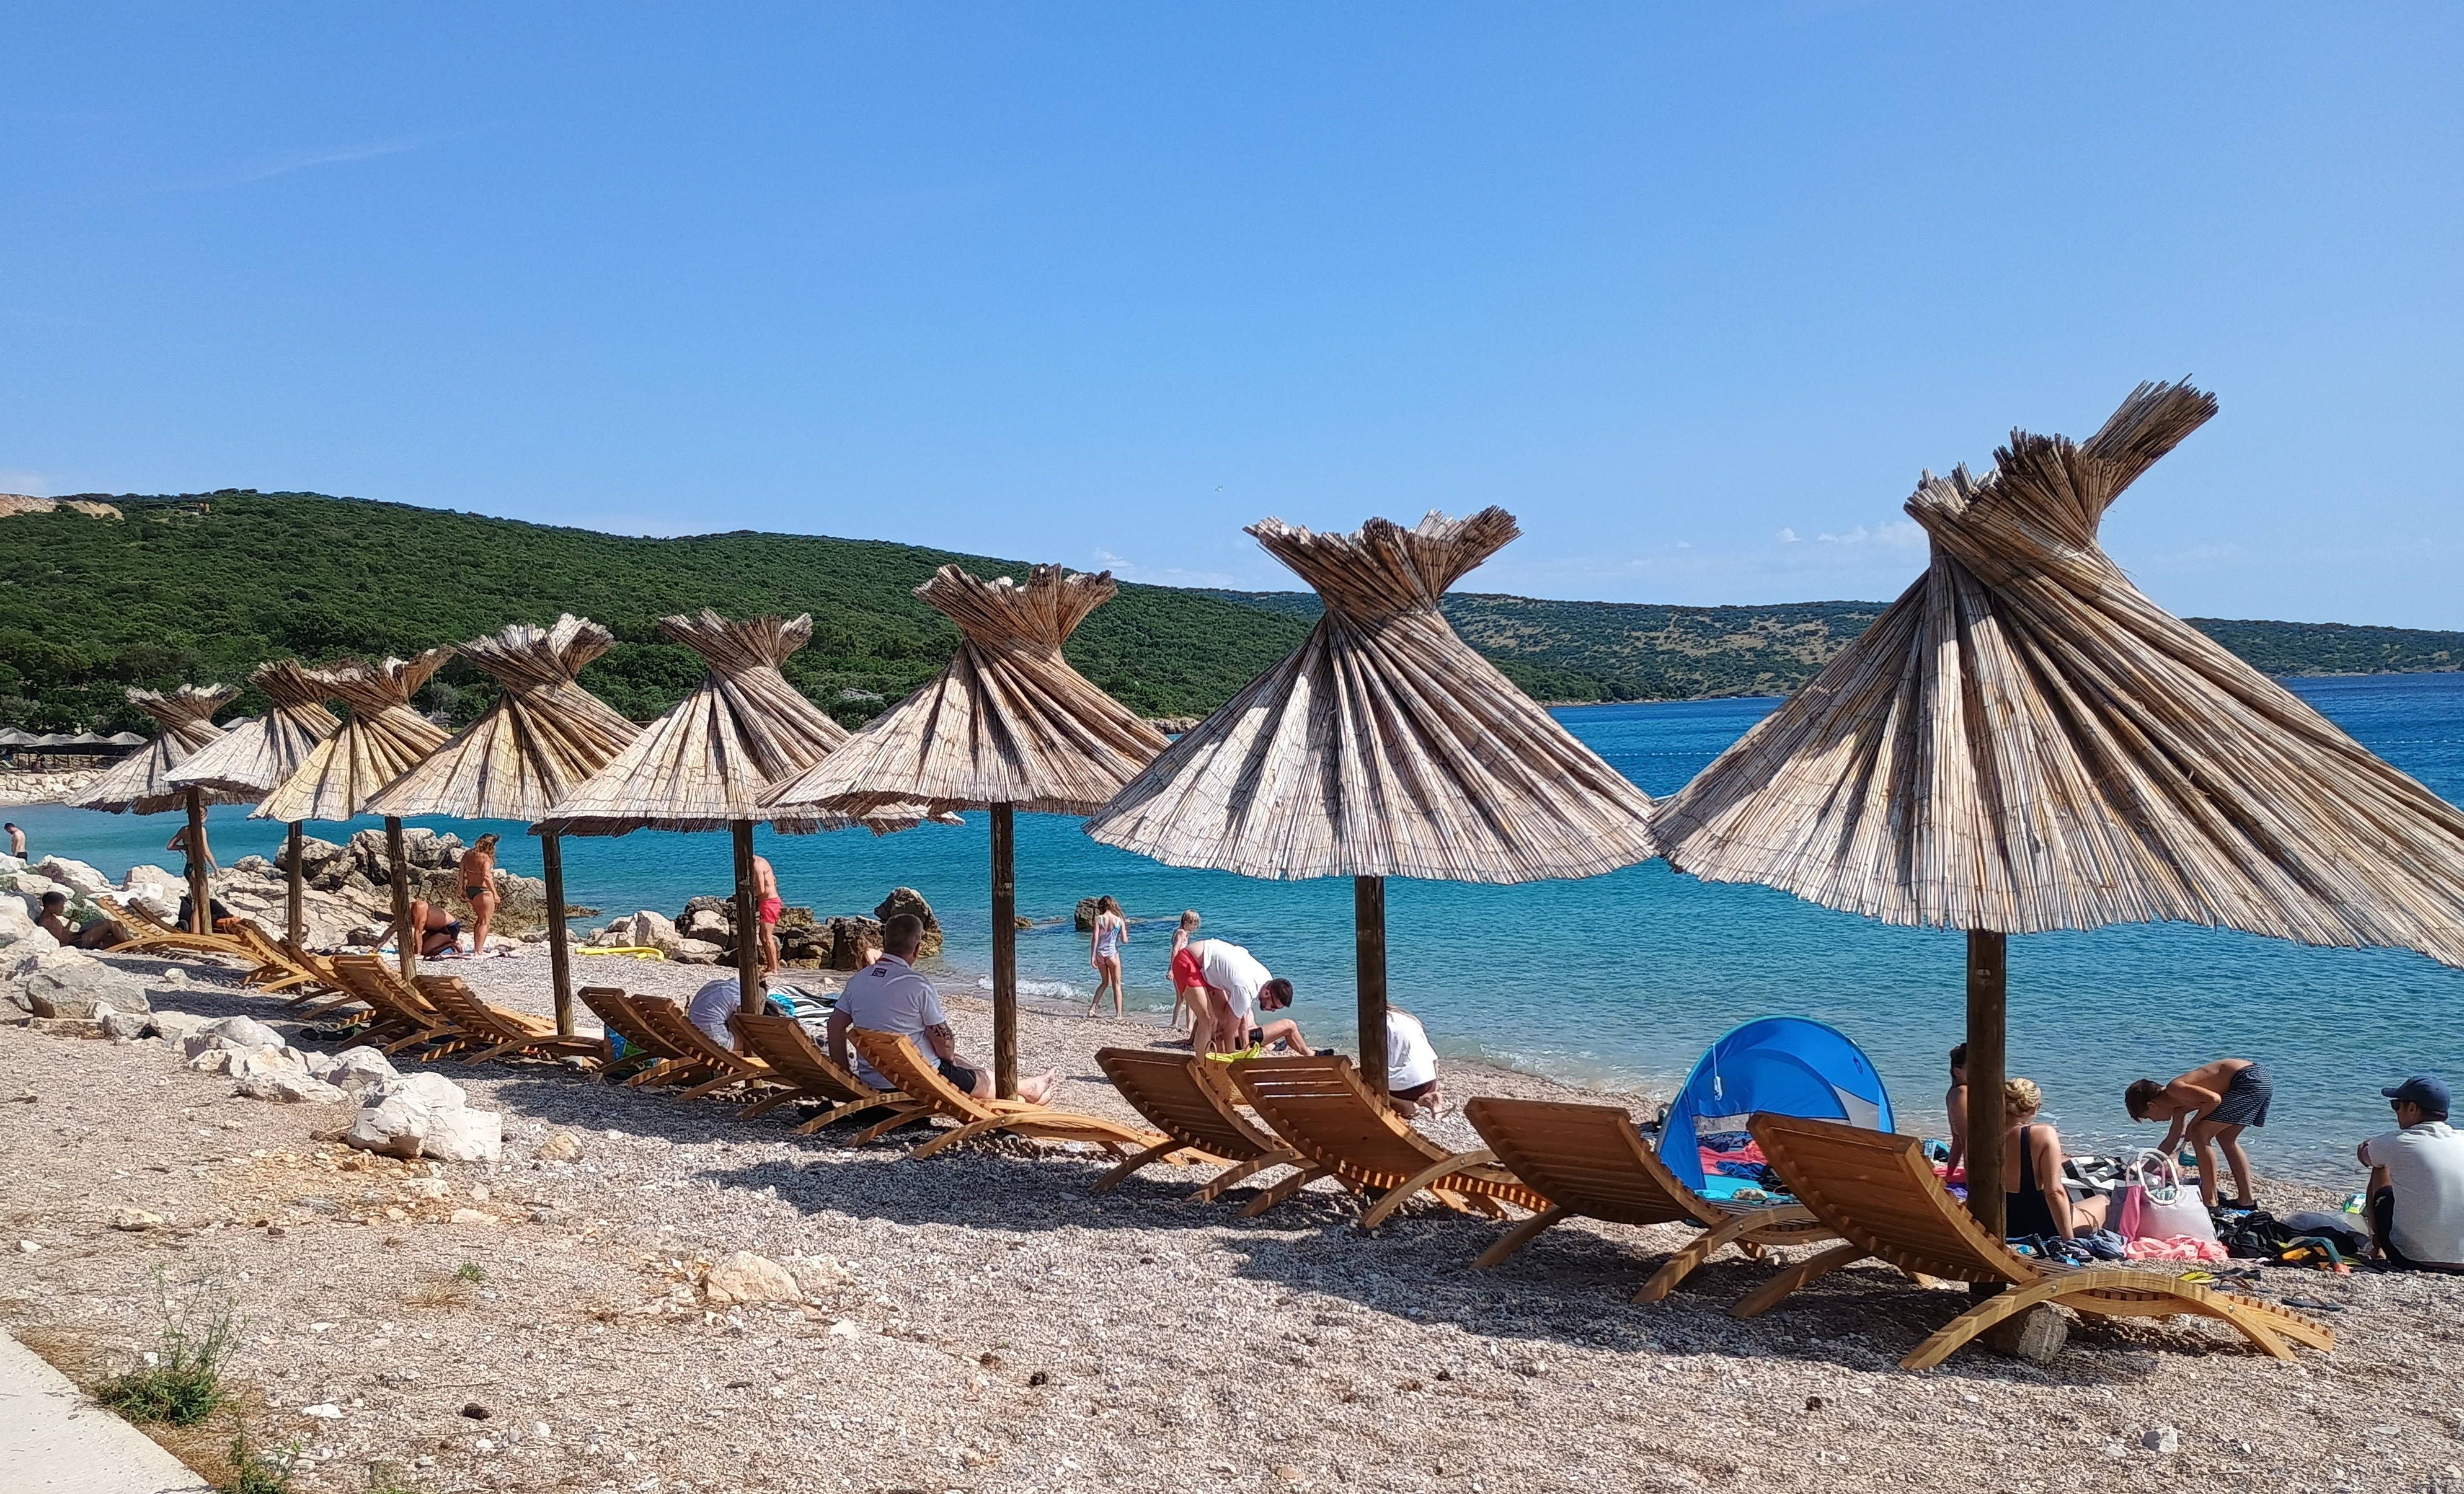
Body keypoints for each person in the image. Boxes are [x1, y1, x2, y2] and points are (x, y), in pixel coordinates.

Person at [830, 914, 1056, 1102]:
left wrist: (847, 1077)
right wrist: (947, 1057)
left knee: (962, 1065)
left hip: (875, 1079)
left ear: (885, 943)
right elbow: (944, 1042)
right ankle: (1025, 1092)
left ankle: (1026, 1087)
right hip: (917, 1082)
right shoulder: (917, 985)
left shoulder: (858, 981)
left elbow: (834, 1027)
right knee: (960, 1069)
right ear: (917, 949)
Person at [2126, 1058, 2272, 1208]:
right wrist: (2142, 1173)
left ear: (2152, 1105)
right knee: (2226, 1138)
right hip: (2258, 1079)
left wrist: (2193, 1124)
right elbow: (2170, 1143)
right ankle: (2246, 1200)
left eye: (2149, 1117)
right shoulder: (2178, 1108)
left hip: (2249, 1079)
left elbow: (2214, 1100)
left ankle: (2210, 1202)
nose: (2154, 1121)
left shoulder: (2174, 1089)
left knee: (2200, 1134)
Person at [2358, 1076, 2464, 1271]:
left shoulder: (2399, 1141)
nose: (2396, 1112)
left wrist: (2371, 1146)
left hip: (2411, 1259)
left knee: (2380, 1165)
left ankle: (2377, 1246)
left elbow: (2365, 1156)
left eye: (2397, 1106)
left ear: (2413, 1108)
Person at [2003, 1077, 2107, 1240]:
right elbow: (2054, 1193)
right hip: (2040, 1225)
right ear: (2033, 1108)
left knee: (2077, 1206)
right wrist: (2069, 1241)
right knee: (2103, 1201)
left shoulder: (1979, 1134)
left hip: (2001, 1221)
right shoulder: (2042, 1134)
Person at [1179, 936, 1296, 1057]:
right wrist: (1234, 1061)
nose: (1273, 1010)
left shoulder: (1266, 979)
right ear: (1267, 993)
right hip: (1189, 961)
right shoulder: (1246, 990)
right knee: (1208, 1019)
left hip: (1208, 968)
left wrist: (1246, 1052)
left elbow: (1242, 1023)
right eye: (1274, 1006)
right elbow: (1228, 1032)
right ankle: (1202, 1064)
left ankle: (1216, 1058)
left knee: (1221, 1019)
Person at [1385, 1006, 1442, 1114]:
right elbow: (1434, 1059)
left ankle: (1404, 1104)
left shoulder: (1377, 1026)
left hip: (1404, 1091)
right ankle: (1430, 1096)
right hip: (1429, 1081)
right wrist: (1434, 1088)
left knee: (1367, 1081)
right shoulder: (1409, 1019)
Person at [37, 891, 127, 950]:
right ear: (51, 907)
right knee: (109, 924)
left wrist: (72, 920)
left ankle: (134, 947)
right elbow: (64, 940)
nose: (63, 909)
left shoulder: (51, 917)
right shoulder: (46, 922)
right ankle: (134, 946)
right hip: (78, 942)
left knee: (116, 928)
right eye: (61, 906)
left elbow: (63, 932)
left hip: (77, 938)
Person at [458, 833, 500, 955]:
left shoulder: (468, 854)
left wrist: (461, 889)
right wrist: (495, 894)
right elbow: (486, 876)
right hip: (484, 892)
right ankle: (479, 950)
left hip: (471, 890)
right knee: (485, 922)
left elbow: (461, 871)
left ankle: (477, 948)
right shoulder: (486, 859)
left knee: (480, 919)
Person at [1085, 895, 1127, 1018]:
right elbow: (1125, 940)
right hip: (1112, 954)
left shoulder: (1098, 919)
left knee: (1104, 983)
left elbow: (1095, 938)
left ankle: (1092, 1008)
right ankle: (1119, 1014)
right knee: (1117, 984)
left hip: (1100, 954)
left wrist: (1092, 956)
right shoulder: (1119, 920)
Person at [1166, 910, 1205, 1039]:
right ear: (1186, 922)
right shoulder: (1181, 933)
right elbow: (1175, 950)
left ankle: (1187, 1025)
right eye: (1193, 924)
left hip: (1183, 968)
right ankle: (1176, 1023)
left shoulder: (1182, 933)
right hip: (1180, 968)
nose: (1195, 927)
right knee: (1182, 998)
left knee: (1187, 998)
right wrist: (1171, 969)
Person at [389, 899, 463, 959]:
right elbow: (392, 929)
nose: (396, 915)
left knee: (425, 952)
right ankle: (446, 942)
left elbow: (418, 932)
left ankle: (454, 943)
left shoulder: (419, 908)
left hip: (449, 928)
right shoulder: (406, 913)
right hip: (434, 930)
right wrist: (377, 947)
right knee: (416, 948)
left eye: (396, 912)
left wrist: (417, 954)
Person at [688, 975, 746, 1048]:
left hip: (693, 1035)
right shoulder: (739, 994)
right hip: (716, 1042)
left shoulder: (715, 984)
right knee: (746, 1041)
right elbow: (746, 1020)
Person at [751, 854, 782, 975]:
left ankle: (774, 969)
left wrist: (746, 895)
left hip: (770, 903)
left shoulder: (757, 865)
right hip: (766, 903)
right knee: (762, 937)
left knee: (767, 937)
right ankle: (770, 966)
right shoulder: (761, 861)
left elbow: (761, 890)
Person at [1944, 1041, 1970, 1180]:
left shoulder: (1952, 1093)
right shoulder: (1963, 1092)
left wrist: (1950, 1173)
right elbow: (1967, 1140)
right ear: (1957, 1071)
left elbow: (1957, 1140)